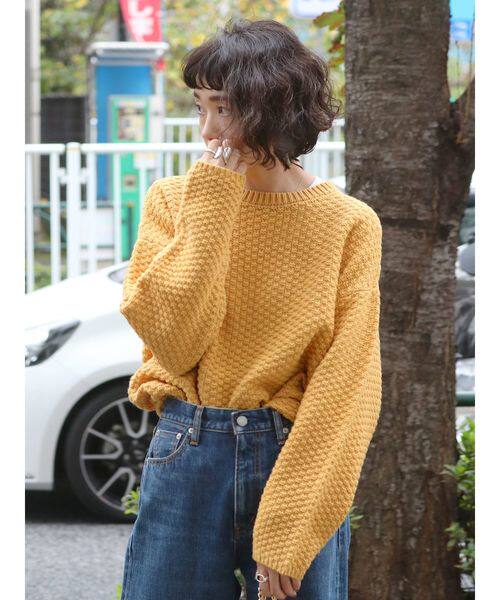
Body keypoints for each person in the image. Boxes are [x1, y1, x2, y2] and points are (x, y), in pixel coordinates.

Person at [119, 17, 382, 600]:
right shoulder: (174, 202)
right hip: (189, 445)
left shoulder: (348, 224)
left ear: (276, 106)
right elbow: (176, 342)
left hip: (293, 452)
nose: (208, 129)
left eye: (225, 107)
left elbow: (348, 384)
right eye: (200, 106)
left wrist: (293, 522)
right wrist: (213, 205)